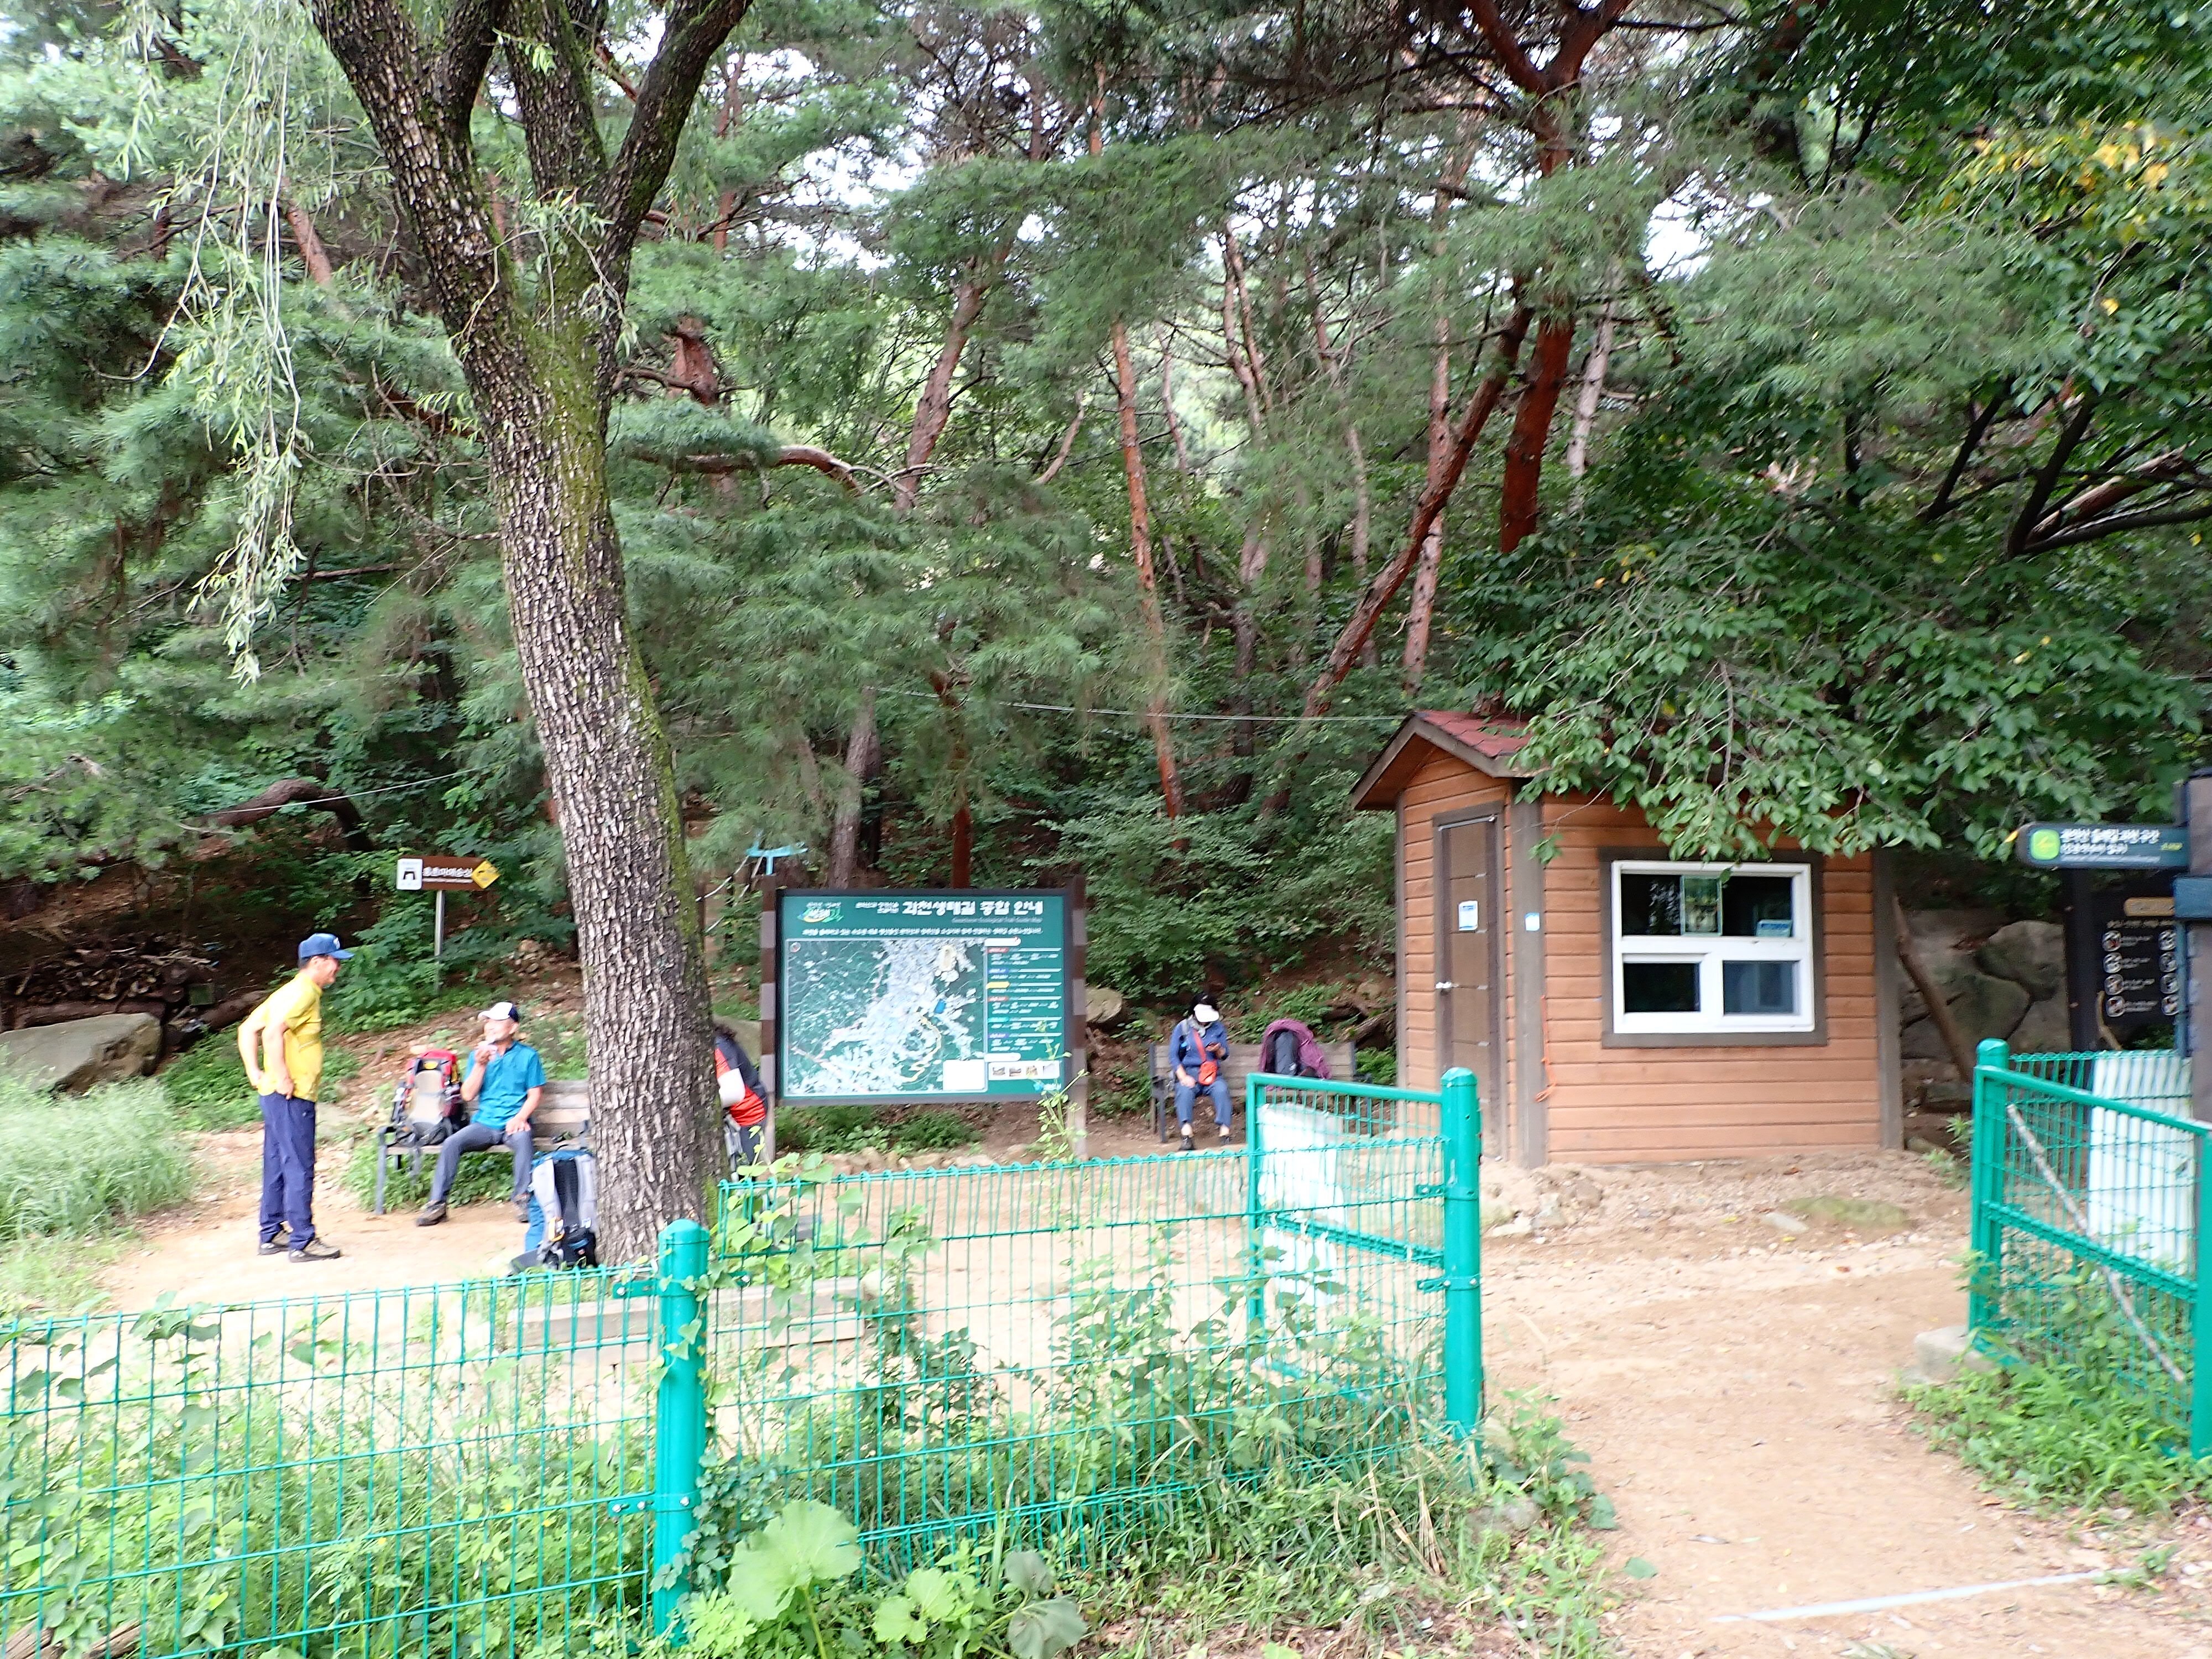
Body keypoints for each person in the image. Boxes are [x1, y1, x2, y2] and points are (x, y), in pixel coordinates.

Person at [238, 931, 352, 1261]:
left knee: (277, 1163)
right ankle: (303, 1241)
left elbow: (247, 1029)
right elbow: (271, 1033)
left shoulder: (287, 991)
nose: (338, 968)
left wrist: (256, 1074)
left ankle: (271, 1234)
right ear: (317, 962)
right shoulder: (303, 993)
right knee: (300, 1165)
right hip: (292, 1096)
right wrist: (284, 1077)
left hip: (274, 1095)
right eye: (334, 962)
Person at [417, 1000, 544, 1226]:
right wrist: (480, 1065)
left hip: (514, 1123)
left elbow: (535, 1094)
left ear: (513, 1027)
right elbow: (467, 1095)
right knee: (452, 1143)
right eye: (488, 1022)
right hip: (485, 1124)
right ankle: (437, 1205)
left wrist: (520, 1118)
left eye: (498, 1022)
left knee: (524, 1139)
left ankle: (522, 1199)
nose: (491, 1026)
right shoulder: (478, 1056)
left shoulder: (528, 1056)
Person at [1168, 997, 1232, 1153]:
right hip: (1190, 1073)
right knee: (1184, 1092)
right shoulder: (1183, 1028)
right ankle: (1187, 1135)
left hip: (1212, 1074)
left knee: (1222, 1090)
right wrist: (1183, 1077)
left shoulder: (1218, 1028)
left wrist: (1218, 1049)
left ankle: (1225, 1134)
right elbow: (1174, 1056)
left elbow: (1224, 1055)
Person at [714, 1019, 768, 1171]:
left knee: (744, 1172)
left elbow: (733, 1092)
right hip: (730, 1114)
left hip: (748, 1114)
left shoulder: (718, 1045)